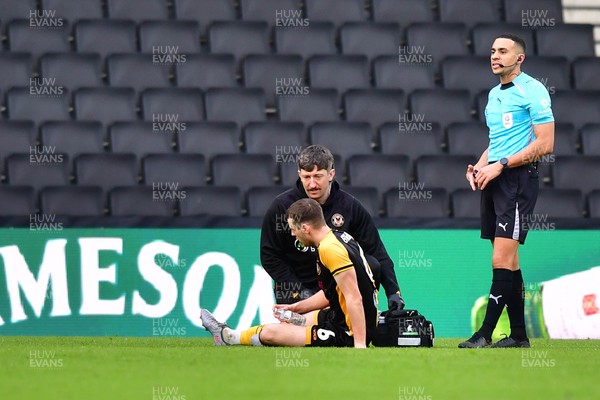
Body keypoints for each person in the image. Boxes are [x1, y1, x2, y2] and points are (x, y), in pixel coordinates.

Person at [459, 33, 554, 348]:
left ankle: (484, 334)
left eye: (503, 51)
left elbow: (545, 144)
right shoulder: (493, 95)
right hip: (496, 179)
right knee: (509, 262)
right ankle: (519, 336)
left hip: (517, 181)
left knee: (500, 260)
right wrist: (480, 165)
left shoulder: (534, 91)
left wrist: (501, 165)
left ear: (519, 58)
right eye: (492, 51)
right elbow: (496, 141)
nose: (494, 56)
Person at [201, 198, 378, 348]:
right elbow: (334, 293)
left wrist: (359, 344)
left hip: (348, 331)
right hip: (341, 316)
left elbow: (354, 297)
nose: (293, 234)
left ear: (306, 228)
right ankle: (227, 335)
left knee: (271, 333)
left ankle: (228, 338)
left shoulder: (329, 249)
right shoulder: (339, 237)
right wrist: (296, 308)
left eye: (294, 228)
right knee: (292, 321)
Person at [260, 144, 404, 311]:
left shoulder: (350, 207)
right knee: (304, 334)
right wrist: (298, 292)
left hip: (338, 286)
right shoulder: (281, 207)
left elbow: (376, 252)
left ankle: (358, 321)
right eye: (306, 177)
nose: (312, 184)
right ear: (299, 174)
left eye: (318, 176)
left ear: (331, 174)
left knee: (371, 264)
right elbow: (270, 256)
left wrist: (393, 291)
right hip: (297, 287)